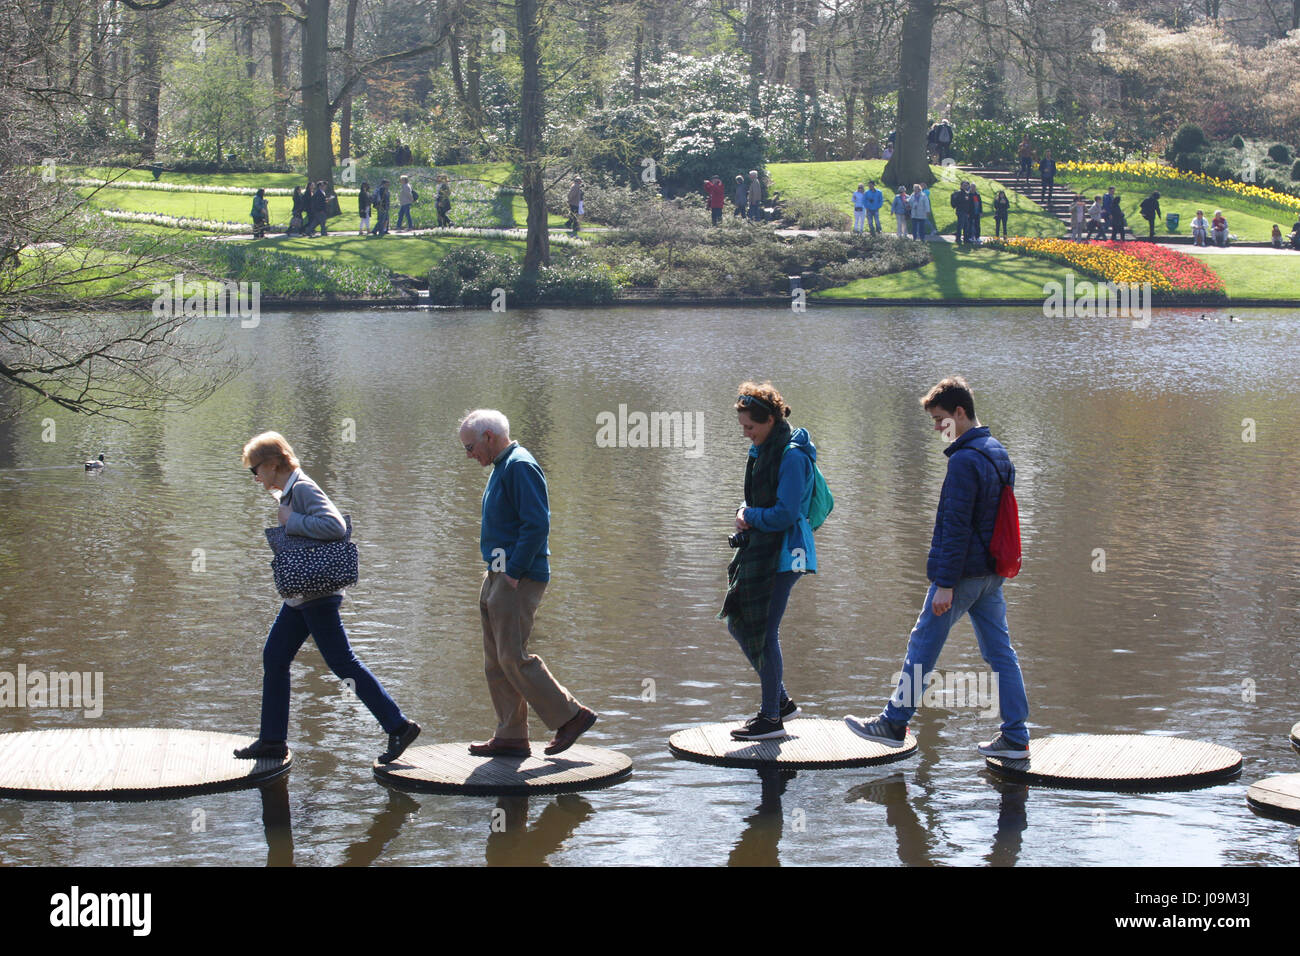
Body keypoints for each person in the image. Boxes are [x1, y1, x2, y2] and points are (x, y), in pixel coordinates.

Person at [844, 376, 1029, 759]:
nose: (936, 427)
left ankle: (894, 723)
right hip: (991, 575)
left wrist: (944, 583)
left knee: (922, 644)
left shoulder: (964, 459)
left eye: (940, 418)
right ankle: (1015, 736)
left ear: (960, 412)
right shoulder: (997, 450)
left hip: (961, 576)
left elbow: (955, 526)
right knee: (1000, 653)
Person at [234, 432, 420, 764]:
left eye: (255, 470)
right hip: (302, 595)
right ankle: (273, 740)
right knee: (275, 657)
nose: (256, 477)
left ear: (274, 462)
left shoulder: (302, 488)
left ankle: (398, 725)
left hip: (317, 594)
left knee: (341, 662)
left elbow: (334, 526)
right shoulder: (289, 490)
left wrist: (292, 520)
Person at [458, 409, 597, 757]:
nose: (469, 454)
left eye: (471, 447)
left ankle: (572, 716)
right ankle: (511, 735)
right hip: (497, 572)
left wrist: (514, 572)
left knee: (512, 656)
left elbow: (537, 524)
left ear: (489, 436)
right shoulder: (502, 466)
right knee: (495, 659)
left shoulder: (519, 465)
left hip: (517, 576)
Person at [720, 383, 818, 741]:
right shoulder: (762, 449)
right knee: (740, 623)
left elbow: (786, 514)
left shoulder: (791, 456)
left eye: (751, 427)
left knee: (762, 630)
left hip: (787, 552)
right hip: (764, 549)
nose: (747, 434)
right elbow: (760, 506)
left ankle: (771, 719)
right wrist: (743, 512)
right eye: (743, 427)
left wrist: (750, 514)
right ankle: (781, 702)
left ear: (771, 419)